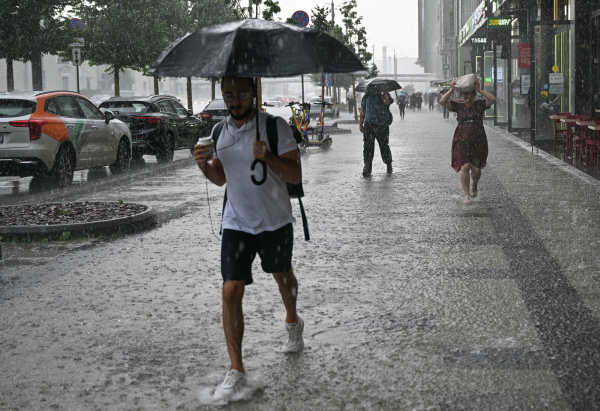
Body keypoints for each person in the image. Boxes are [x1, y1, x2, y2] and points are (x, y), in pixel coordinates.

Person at [194, 76, 304, 400]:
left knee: (282, 276)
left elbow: (295, 174)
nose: (235, 101)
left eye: (241, 93)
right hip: (237, 222)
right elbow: (220, 178)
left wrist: (268, 156)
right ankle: (237, 369)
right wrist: (203, 165)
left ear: (253, 93)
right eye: (229, 94)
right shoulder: (219, 133)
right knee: (230, 289)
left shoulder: (275, 127)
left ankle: (293, 321)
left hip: (275, 221)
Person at [439, 77, 496, 204]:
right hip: (461, 139)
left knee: (476, 169)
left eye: (470, 97)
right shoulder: (458, 105)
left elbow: (492, 99)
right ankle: (466, 195)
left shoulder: (480, 104)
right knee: (465, 166)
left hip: (478, 139)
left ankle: (474, 184)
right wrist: (452, 89)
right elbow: (442, 101)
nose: (467, 100)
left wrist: (479, 89)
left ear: (474, 96)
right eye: (465, 97)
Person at [359, 90, 394, 176]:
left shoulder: (385, 94)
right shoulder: (366, 96)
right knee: (368, 147)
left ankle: (388, 163)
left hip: (382, 125)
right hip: (369, 125)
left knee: (384, 146)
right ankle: (367, 167)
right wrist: (360, 123)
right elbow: (362, 110)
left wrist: (383, 96)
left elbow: (387, 102)